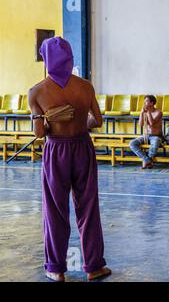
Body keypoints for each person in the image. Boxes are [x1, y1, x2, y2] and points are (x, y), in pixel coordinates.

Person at [28, 37, 111, 282]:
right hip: (82, 147)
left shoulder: (37, 91)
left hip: (56, 150)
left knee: (55, 210)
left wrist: (48, 118)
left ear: (46, 59)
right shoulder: (85, 87)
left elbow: (40, 133)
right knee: (88, 208)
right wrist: (77, 119)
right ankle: (94, 266)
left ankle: (56, 268)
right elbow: (97, 120)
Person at [129, 95, 163, 168]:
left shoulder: (159, 112)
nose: (145, 103)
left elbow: (152, 123)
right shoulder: (144, 112)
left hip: (156, 136)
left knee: (155, 142)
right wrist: (141, 113)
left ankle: (147, 161)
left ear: (152, 103)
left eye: (147, 101)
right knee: (132, 143)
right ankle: (147, 160)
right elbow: (141, 124)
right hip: (146, 136)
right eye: (144, 101)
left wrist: (148, 112)